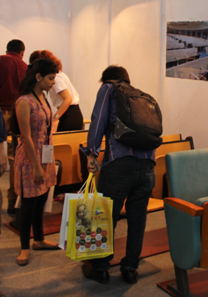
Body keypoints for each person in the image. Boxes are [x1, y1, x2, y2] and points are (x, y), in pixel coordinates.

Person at [80, 65, 156, 285]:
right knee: (137, 219)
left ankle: (101, 269)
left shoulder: (108, 89)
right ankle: (130, 268)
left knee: (104, 217)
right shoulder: (142, 96)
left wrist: (92, 153)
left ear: (107, 79)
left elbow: (98, 120)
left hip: (119, 165)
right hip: (148, 166)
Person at [10, 58, 59, 266]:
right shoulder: (24, 101)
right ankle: (24, 247)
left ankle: (38, 239)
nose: (53, 83)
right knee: (28, 203)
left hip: (45, 154)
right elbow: (26, 137)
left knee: (41, 199)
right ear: (38, 77)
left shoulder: (43, 97)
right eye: (51, 78)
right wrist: (37, 166)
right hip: (31, 158)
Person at [0, 39, 27, 214]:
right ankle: (13, 201)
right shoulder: (25, 66)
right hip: (17, 116)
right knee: (14, 159)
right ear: (22, 52)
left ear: (7, 49)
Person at [28, 50, 84, 131]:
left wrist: (55, 118)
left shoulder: (56, 77)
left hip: (69, 114)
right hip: (69, 113)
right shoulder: (58, 75)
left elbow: (68, 99)